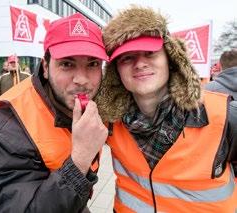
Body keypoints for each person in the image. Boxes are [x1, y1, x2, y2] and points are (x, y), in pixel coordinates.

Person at [95, 6, 237, 212]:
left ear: (170, 59)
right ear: (116, 71)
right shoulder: (109, 122)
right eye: (127, 57)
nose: (140, 63)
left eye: (150, 53)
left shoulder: (224, 116)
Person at [0, 12, 108, 212]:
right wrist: (80, 159)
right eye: (67, 64)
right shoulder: (6, 130)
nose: (81, 79)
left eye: (92, 64)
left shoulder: (94, 104)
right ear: (46, 67)